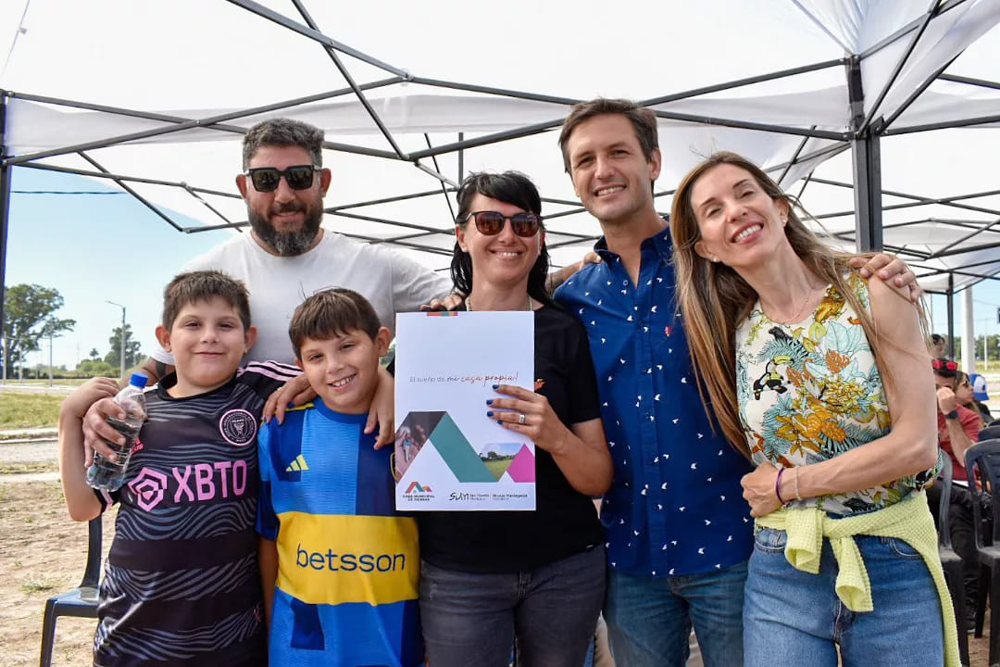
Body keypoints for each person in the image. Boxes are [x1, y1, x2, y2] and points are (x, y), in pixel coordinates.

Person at [553, 98, 922, 667]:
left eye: (618, 152)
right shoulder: (572, 300)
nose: (602, 170)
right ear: (573, 179)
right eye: (585, 160)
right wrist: (458, 301)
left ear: (653, 162)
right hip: (631, 555)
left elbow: (795, 276)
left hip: (737, 543)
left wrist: (872, 269)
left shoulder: (713, 262)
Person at [670, 151, 955, 665]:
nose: (734, 210)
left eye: (745, 193)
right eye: (713, 210)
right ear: (707, 249)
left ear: (779, 209)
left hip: (890, 555)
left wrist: (788, 485)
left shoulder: (873, 292)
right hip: (783, 566)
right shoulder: (729, 331)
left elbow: (916, 447)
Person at [416, 171, 612, 666]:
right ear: (462, 236)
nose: (508, 235)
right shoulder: (429, 332)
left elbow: (597, 478)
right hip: (459, 574)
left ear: (539, 238)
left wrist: (555, 436)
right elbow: (366, 393)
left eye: (523, 224)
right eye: (489, 222)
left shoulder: (565, 331)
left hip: (564, 567)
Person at [58, 270, 299, 666]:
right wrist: (69, 418)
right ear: (166, 339)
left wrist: (382, 379)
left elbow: (333, 374)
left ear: (248, 339)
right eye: (193, 324)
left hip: (231, 641)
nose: (210, 336)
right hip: (132, 638)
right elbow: (83, 506)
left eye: (225, 325)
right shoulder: (133, 412)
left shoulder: (258, 390)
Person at [257, 288, 422, 666]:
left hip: (395, 641)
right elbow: (268, 538)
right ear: (300, 365)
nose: (333, 365)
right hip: (301, 645)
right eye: (316, 356)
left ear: (381, 342)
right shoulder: (279, 431)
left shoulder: (414, 429)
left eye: (347, 346)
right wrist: (271, 625)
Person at [929, 360, 987, 631]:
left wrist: (950, 415)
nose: (940, 392)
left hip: (957, 491)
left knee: (958, 512)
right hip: (923, 489)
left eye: (946, 387)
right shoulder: (912, 412)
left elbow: (966, 460)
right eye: (935, 386)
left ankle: (967, 605)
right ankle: (972, 500)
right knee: (932, 484)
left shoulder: (967, 416)